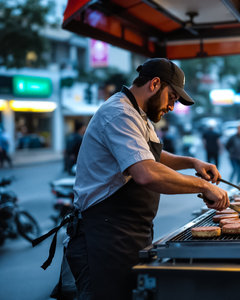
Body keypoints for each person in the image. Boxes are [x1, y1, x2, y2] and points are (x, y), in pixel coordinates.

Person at [61, 58, 229, 300]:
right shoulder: (118, 114)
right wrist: (202, 186)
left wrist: (192, 162)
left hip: (129, 234)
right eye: (172, 97)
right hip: (104, 239)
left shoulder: (139, 115)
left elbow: (151, 156)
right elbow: (146, 172)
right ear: (155, 84)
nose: (172, 106)